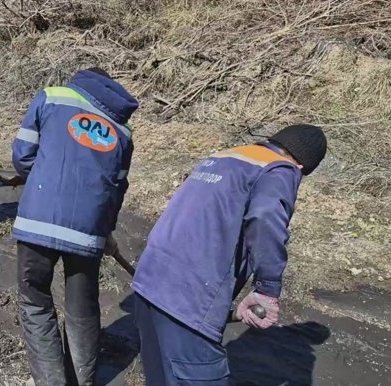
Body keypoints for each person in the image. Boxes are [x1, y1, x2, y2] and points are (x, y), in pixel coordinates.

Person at [131, 124, 328, 385]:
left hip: (150, 280)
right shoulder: (280, 168)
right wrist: (267, 290)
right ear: (302, 167)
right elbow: (266, 218)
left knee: (160, 377)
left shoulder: (225, 157)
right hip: (189, 298)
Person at [11, 67, 138, 386]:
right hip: (89, 230)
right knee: (83, 303)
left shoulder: (52, 97)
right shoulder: (123, 130)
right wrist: (106, 230)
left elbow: (22, 158)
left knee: (35, 298)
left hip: (39, 221)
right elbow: (116, 189)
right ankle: (84, 380)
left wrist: (45, 177)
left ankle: (52, 380)